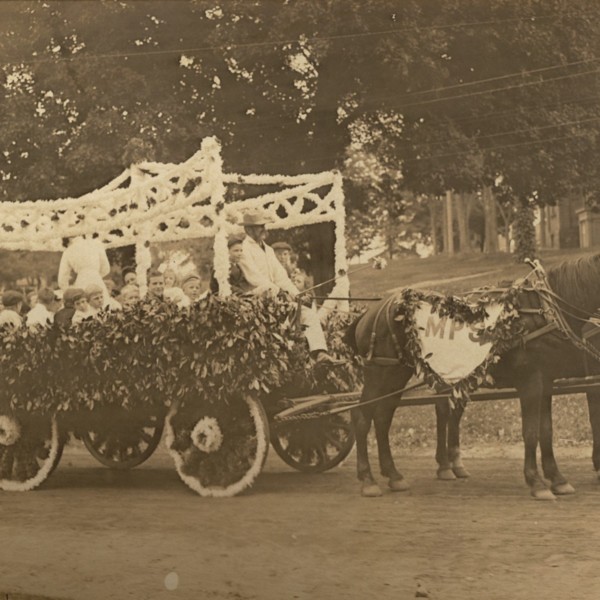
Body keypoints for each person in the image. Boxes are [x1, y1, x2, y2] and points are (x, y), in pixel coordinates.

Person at [238, 210, 343, 367]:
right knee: (290, 318)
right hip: (256, 298)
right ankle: (296, 359)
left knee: (307, 310)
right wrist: (278, 292)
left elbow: (281, 277)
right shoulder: (244, 249)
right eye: (259, 226)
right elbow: (253, 277)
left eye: (263, 225)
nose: (264, 229)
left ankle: (320, 353)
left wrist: (298, 295)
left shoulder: (268, 249)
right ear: (248, 229)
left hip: (275, 297)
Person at [58, 236, 111, 304]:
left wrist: (70, 291)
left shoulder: (68, 251)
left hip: (81, 281)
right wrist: (95, 275)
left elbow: (62, 280)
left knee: (85, 308)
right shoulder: (96, 244)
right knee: (103, 304)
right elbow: (106, 269)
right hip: (97, 280)